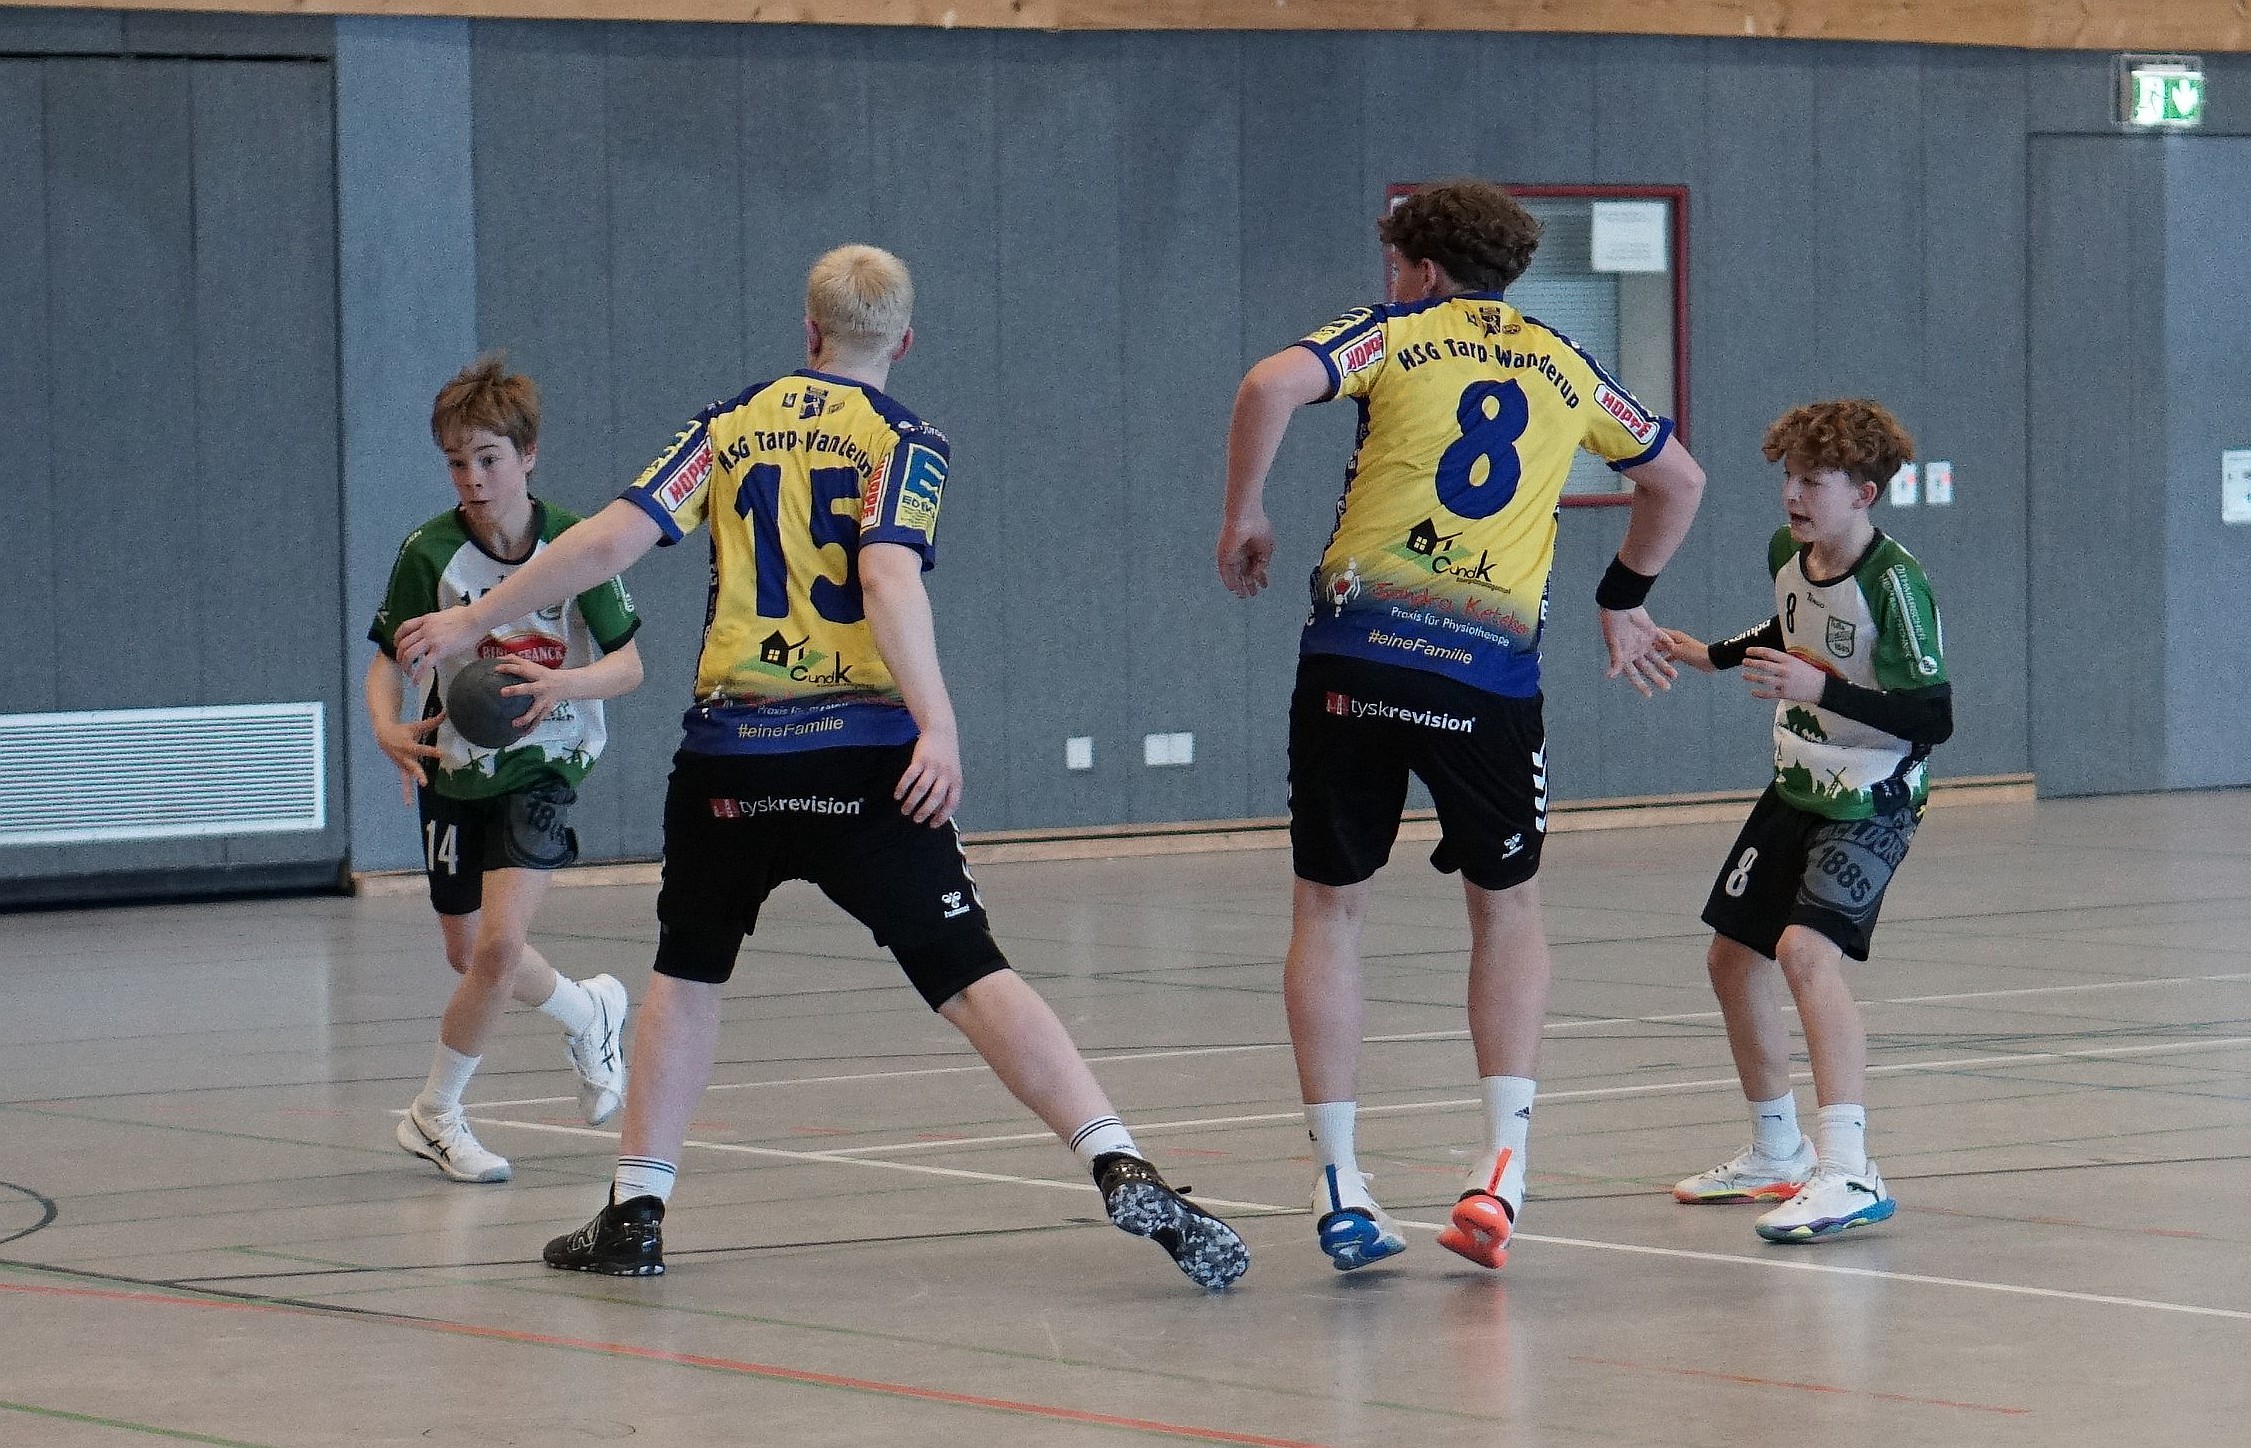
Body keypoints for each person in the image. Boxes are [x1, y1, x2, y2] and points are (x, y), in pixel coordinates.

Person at [393, 246, 1249, 1288]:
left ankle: (637, 1212)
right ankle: (1116, 1159)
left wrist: (472, 618)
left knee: (687, 978)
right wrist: (938, 724)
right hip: (866, 761)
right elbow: (886, 577)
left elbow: (610, 541)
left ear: (808, 332)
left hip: (733, 760)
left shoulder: (728, 425)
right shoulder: (906, 442)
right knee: (969, 971)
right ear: (904, 340)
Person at [1215, 180, 1707, 1271]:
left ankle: (1339, 1183)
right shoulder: (1565, 362)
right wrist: (1622, 596)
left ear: (1424, 271)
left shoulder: (1392, 332)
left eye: (1395, 266)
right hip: (1485, 674)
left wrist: (1245, 510)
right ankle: (1500, 1168)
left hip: (1356, 652)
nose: (1390, 282)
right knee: (1507, 905)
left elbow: (1268, 383)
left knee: (1329, 906)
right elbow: (1676, 479)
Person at [1659, 398, 1949, 1241]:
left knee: (1802, 951)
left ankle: (1848, 1169)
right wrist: (1713, 655)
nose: (1791, 494)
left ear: (1862, 493)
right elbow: (1792, 623)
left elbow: (1932, 716)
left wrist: (1818, 688)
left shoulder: (1894, 584)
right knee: (1730, 958)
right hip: (1798, 781)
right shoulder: (1787, 552)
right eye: (1787, 476)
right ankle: (1776, 1151)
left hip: (1871, 796)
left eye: (1812, 480)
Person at [366, 355, 645, 1183]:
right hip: (456, 768)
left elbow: (630, 668)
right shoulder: (429, 553)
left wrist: (562, 684)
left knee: (496, 949)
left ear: (527, 455)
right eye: (457, 463)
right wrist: (384, 724)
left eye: (488, 459)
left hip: (545, 762)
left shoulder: (577, 546)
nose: (473, 479)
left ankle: (435, 1113)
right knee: (470, 955)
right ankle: (588, 1009)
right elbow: (388, 660)